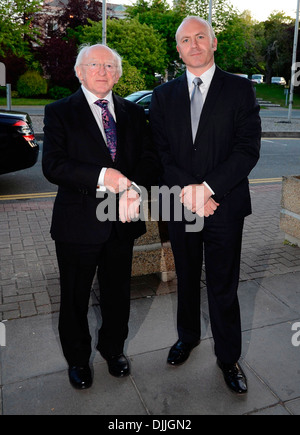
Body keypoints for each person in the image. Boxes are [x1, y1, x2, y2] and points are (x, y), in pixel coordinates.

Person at [149, 16, 261, 394]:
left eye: (200, 37)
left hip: (224, 206)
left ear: (214, 43)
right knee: (185, 277)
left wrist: (209, 190)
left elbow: (247, 149)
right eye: (185, 40)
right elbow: (160, 153)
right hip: (181, 205)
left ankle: (228, 358)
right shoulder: (163, 96)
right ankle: (188, 337)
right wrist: (190, 192)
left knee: (223, 285)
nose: (193, 44)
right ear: (178, 49)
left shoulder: (240, 89)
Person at [43, 44, 158, 389]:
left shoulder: (133, 113)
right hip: (77, 223)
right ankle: (78, 359)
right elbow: (54, 166)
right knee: (75, 297)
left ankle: (113, 349)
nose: (102, 71)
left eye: (110, 66)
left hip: (122, 223)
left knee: (117, 293)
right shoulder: (60, 111)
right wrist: (103, 176)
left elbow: (150, 160)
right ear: (79, 72)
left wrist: (134, 188)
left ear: (118, 74)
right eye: (94, 64)